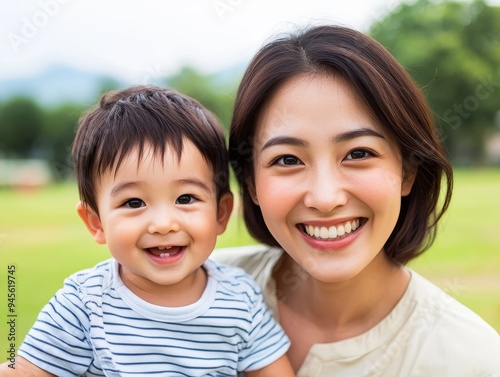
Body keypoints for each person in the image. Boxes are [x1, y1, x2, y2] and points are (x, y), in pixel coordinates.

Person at [213, 25, 500, 376]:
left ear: (407, 171)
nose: (325, 198)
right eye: (288, 159)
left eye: (358, 153)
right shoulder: (181, 290)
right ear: (251, 182)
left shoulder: (472, 361)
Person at [0, 86, 293, 377]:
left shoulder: (240, 297)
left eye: (186, 198)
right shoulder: (84, 304)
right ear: (96, 223)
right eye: (134, 202)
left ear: (221, 213)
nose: (163, 224)